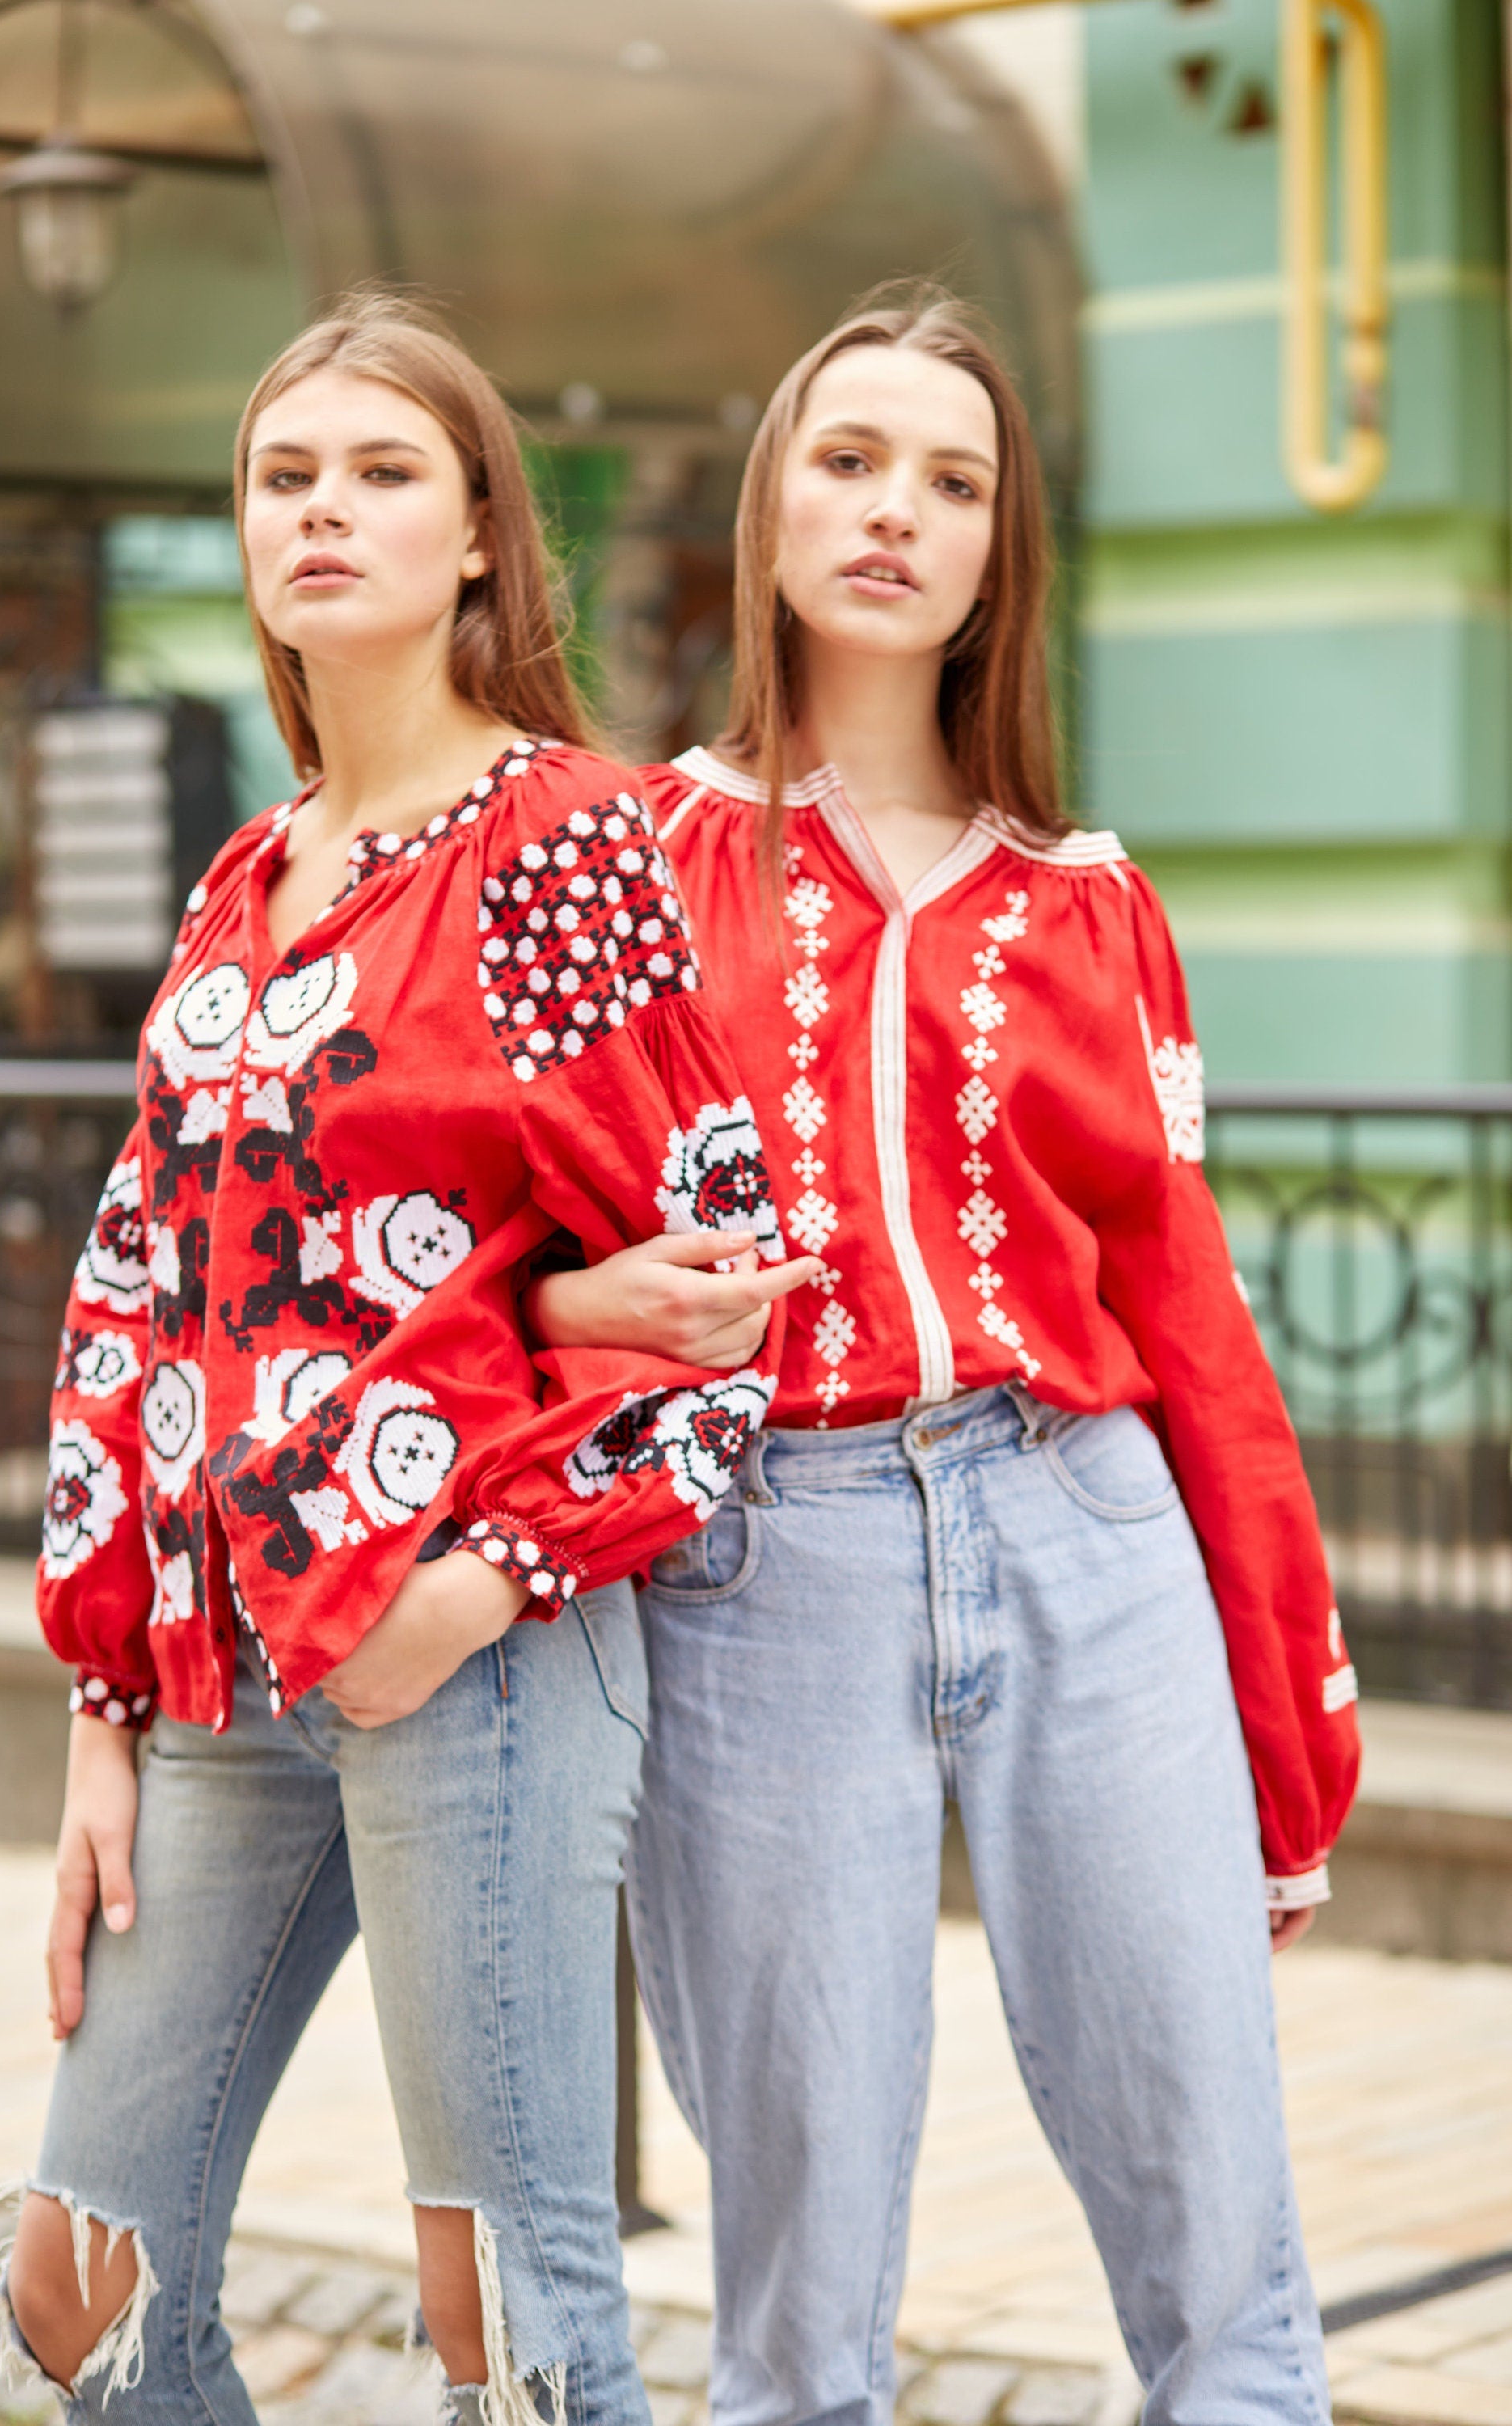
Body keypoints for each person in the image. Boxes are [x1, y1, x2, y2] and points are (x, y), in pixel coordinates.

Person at [527, 288, 1362, 2426]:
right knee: (800, 2289)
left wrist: (1288, 1719)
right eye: (851, 458)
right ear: (770, 507)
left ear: (1005, 552)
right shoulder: (629, 869)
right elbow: (500, 1253)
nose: (896, 510)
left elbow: (1188, 1312)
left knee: (1222, 2240)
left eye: (955, 480)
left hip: (1088, 1526)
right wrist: (571, 1311)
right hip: (764, 1560)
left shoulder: (1092, 905)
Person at [0, 290, 807, 2426]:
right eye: (285, 476)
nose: (322, 511)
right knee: (80, 2283)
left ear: (480, 540)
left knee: (493, 2308)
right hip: (222, 1673)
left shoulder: (561, 844)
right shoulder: (242, 881)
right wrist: (102, 1702)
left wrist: (480, 1587)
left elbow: (723, 1295)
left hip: (475, 1655)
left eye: (380, 472)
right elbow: (151, 1292)